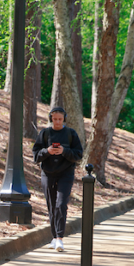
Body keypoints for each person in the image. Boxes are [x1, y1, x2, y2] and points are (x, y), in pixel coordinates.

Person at [32, 105, 83, 252]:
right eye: (55, 119)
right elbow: (36, 156)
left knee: (61, 204)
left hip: (66, 174)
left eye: (60, 119)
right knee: (51, 205)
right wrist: (47, 151)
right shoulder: (45, 133)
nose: (57, 122)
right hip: (47, 174)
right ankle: (54, 237)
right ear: (51, 119)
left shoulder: (71, 134)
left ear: (64, 119)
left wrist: (64, 151)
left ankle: (60, 238)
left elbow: (78, 154)